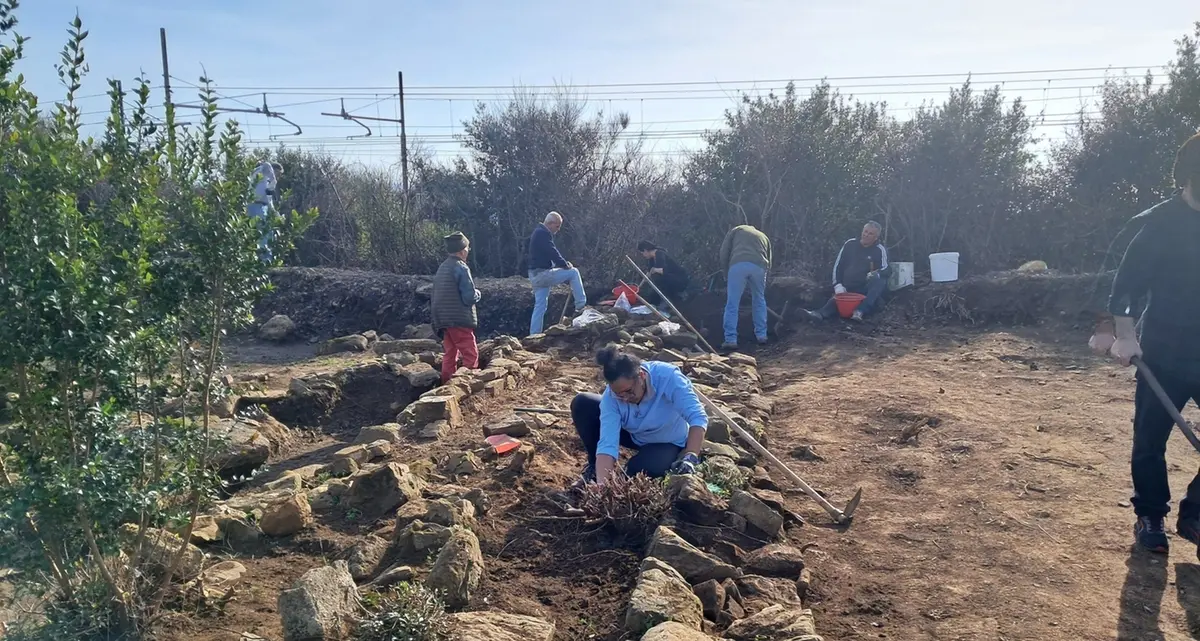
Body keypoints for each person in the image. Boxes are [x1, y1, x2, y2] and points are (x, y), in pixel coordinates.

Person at [1093, 131, 1200, 555]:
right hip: (1164, 352)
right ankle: (1151, 515)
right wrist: (1122, 334)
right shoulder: (1158, 224)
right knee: (1150, 440)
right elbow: (1125, 286)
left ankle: (1195, 516)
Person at [571, 345, 709, 484]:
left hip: (666, 441)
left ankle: (639, 466)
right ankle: (594, 469)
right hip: (634, 435)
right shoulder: (611, 397)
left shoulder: (667, 377)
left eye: (629, 391)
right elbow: (607, 443)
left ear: (641, 376)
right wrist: (602, 484)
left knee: (640, 472)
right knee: (583, 403)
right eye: (619, 395)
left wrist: (691, 455)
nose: (625, 398)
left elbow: (697, 416)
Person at [806, 221, 891, 322]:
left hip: (864, 289)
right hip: (847, 287)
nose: (866, 235)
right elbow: (838, 266)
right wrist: (838, 285)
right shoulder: (850, 244)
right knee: (835, 301)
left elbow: (887, 269)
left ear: (876, 237)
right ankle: (818, 314)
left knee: (880, 281)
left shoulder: (879, 250)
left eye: (870, 233)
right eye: (865, 231)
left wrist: (877, 273)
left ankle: (860, 311)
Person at [431, 232, 482, 384]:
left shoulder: (443, 267)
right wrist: (478, 294)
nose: (468, 251)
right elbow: (469, 297)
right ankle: (469, 382)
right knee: (470, 352)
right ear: (462, 250)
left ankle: (446, 383)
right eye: (467, 248)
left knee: (450, 353)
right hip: (459, 318)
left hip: (443, 319)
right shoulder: (461, 267)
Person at [528, 211, 587, 336]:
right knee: (574, 272)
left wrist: (560, 264)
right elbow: (552, 252)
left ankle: (534, 334)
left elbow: (547, 254)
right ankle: (580, 306)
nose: (558, 229)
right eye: (557, 226)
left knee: (540, 306)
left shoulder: (538, 232)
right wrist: (565, 264)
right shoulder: (542, 234)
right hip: (542, 274)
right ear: (550, 223)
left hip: (535, 275)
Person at [719, 224, 772, 350]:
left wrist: (726, 273)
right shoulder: (763, 236)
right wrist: (766, 274)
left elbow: (724, 252)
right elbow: (769, 258)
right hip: (759, 267)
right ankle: (762, 336)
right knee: (759, 300)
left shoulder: (736, 230)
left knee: (732, 303)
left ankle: (730, 339)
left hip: (738, 265)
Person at [248, 161, 283, 261]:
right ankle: (264, 260)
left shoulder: (266, 183)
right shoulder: (262, 173)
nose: (278, 177)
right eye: (278, 173)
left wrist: (276, 214)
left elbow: (269, 201)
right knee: (264, 234)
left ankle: (265, 259)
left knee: (267, 233)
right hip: (256, 205)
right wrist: (273, 180)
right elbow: (266, 165)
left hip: (262, 207)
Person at [637, 241, 690, 305]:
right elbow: (648, 273)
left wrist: (655, 270)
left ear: (645, 250)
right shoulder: (651, 259)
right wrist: (638, 287)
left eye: (642, 253)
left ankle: (677, 298)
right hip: (669, 280)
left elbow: (665, 271)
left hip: (679, 279)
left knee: (659, 280)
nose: (643, 255)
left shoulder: (660, 254)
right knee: (657, 284)